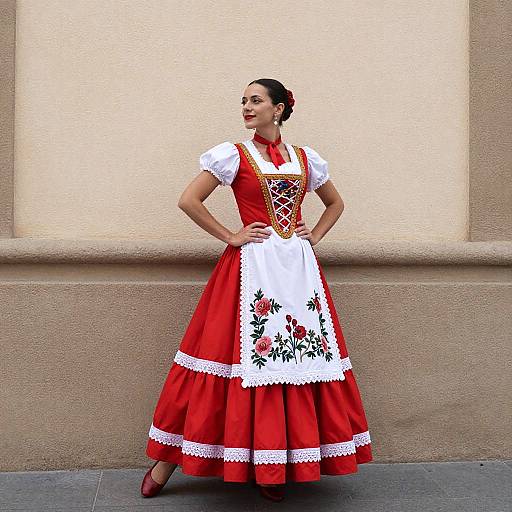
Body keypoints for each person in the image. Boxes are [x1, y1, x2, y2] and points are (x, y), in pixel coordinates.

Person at [141, 78, 373, 502]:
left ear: (279, 109)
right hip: (250, 270)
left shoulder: (306, 159)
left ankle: (275, 466)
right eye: (244, 101)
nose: (247, 107)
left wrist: (314, 235)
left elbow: (335, 203)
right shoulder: (234, 155)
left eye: (256, 100)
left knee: (293, 359)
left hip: (298, 272)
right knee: (221, 357)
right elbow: (189, 200)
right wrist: (230, 235)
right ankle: (166, 461)